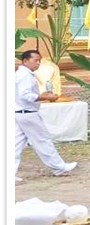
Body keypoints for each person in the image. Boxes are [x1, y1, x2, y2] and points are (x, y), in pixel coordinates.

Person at [13, 50, 76, 178]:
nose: (38, 64)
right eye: (35, 60)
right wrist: (43, 97)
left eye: (39, 61)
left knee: (16, 144)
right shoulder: (24, 75)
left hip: (20, 112)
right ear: (25, 61)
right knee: (43, 141)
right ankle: (59, 167)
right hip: (28, 112)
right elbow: (25, 95)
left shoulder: (21, 74)